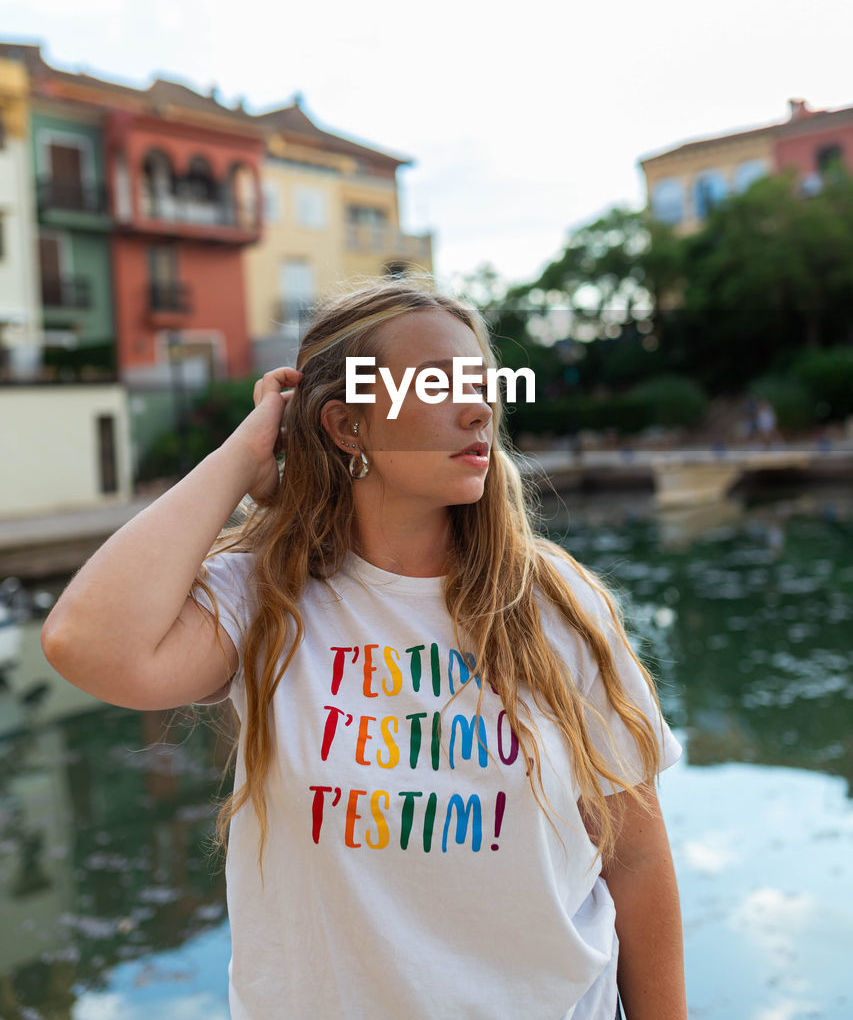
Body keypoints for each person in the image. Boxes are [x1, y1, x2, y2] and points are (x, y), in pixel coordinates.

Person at [41, 276, 687, 1020]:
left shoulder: (554, 604)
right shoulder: (262, 597)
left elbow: (633, 859)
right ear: (348, 427)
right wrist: (244, 454)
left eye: (482, 385)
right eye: (438, 385)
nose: (478, 409)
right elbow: (84, 644)